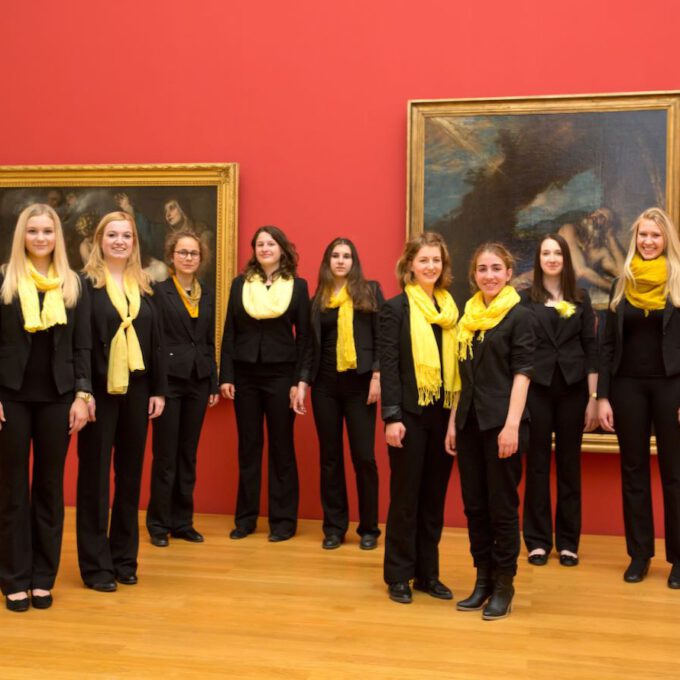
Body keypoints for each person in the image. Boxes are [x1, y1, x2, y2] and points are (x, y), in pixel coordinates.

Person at [0, 204, 91, 612]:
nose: (40, 238)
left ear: (58, 237)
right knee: (12, 490)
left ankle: (42, 577)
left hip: (59, 396)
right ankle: (14, 578)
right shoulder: (4, 279)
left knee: (50, 490)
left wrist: (83, 395)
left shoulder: (72, 283)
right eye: (33, 231)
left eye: (47, 231)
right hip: (11, 397)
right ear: (22, 236)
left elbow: (83, 346)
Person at [76, 211, 166, 592]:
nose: (119, 241)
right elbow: (78, 344)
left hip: (139, 391)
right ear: (99, 240)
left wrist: (159, 390)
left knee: (129, 479)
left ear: (134, 242)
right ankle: (96, 567)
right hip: (98, 393)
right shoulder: (84, 286)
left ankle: (124, 560)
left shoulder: (146, 286)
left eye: (125, 235)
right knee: (95, 480)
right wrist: (82, 391)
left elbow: (158, 343)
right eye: (111, 234)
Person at [448, 242, 534, 620]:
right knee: (475, 506)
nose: (489, 275)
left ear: (509, 273)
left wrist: (511, 425)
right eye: (482, 269)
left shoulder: (519, 316)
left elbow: (523, 374)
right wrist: (453, 421)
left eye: (496, 268)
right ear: (474, 275)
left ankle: (504, 585)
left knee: (502, 508)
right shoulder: (468, 318)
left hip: (503, 425)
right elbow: (462, 378)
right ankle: (482, 579)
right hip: (469, 423)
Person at [598, 207, 680, 589]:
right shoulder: (620, 284)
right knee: (633, 473)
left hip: (671, 388)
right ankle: (639, 555)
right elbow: (606, 344)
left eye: (655, 236)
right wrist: (602, 397)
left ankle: (678, 560)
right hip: (626, 388)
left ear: (667, 241)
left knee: (675, 476)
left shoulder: (678, 281)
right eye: (643, 235)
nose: (648, 241)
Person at [379, 231, 460, 604]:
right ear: (410, 264)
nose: (431, 266)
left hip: (442, 416)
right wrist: (391, 417)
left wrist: (456, 420)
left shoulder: (451, 310)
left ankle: (428, 574)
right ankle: (398, 575)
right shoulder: (395, 309)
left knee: (433, 499)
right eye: (424, 259)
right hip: (408, 416)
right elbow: (390, 369)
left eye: (436, 260)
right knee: (406, 497)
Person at [219, 226, 309, 542]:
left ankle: (283, 522)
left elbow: (305, 340)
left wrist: (300, 382)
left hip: (282, 377)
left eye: (271, 243)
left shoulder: (298, 287)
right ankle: (245, 520)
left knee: (282, 449)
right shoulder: (240, 285)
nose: (265, 248)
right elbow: (229, 332)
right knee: (249, 448)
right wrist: (226, 376)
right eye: (259, 243)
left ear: (282, 249)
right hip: (244, 376)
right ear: (253, 249)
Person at [296, 238, 383, 550]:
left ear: (354, 261)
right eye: (335, 255)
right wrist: (303, 383)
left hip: (360, 386)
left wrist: (377, 374)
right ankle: (334, 527)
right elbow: (308, 347)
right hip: (325, 388)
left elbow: (382, 336)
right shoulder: (317, 299)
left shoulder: (369, 291)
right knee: (330, 459)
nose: (341, 261)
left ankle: (370, 528)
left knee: (364, 458)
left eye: (347, 256)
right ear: (327, 261)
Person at [520, 234, 598, 568]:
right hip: (537, 389)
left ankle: (568, 543)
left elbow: (592, 348)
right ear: (538, 260)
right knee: (536, 466)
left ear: (566, 259)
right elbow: (519, 352)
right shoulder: (524, 300)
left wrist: (594, 399)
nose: (551, 258)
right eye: (545, 253)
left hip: (572, 390)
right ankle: (537, 542)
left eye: (557, 253)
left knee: (569, 466)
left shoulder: (581, 298)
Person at [146, 231, 220, 547]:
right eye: (182, 252)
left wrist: (213, 381)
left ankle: (183, 522)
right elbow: (155, 342)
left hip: (198, 381)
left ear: (200, 259)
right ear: (171, 256)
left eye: (194, 253)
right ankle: (159, 524)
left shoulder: (208, 294)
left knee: (188, 455)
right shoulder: (158, 292)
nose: (188, 257)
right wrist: (156, 386)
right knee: (165, 456)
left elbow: (206, 341)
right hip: (169, 381)